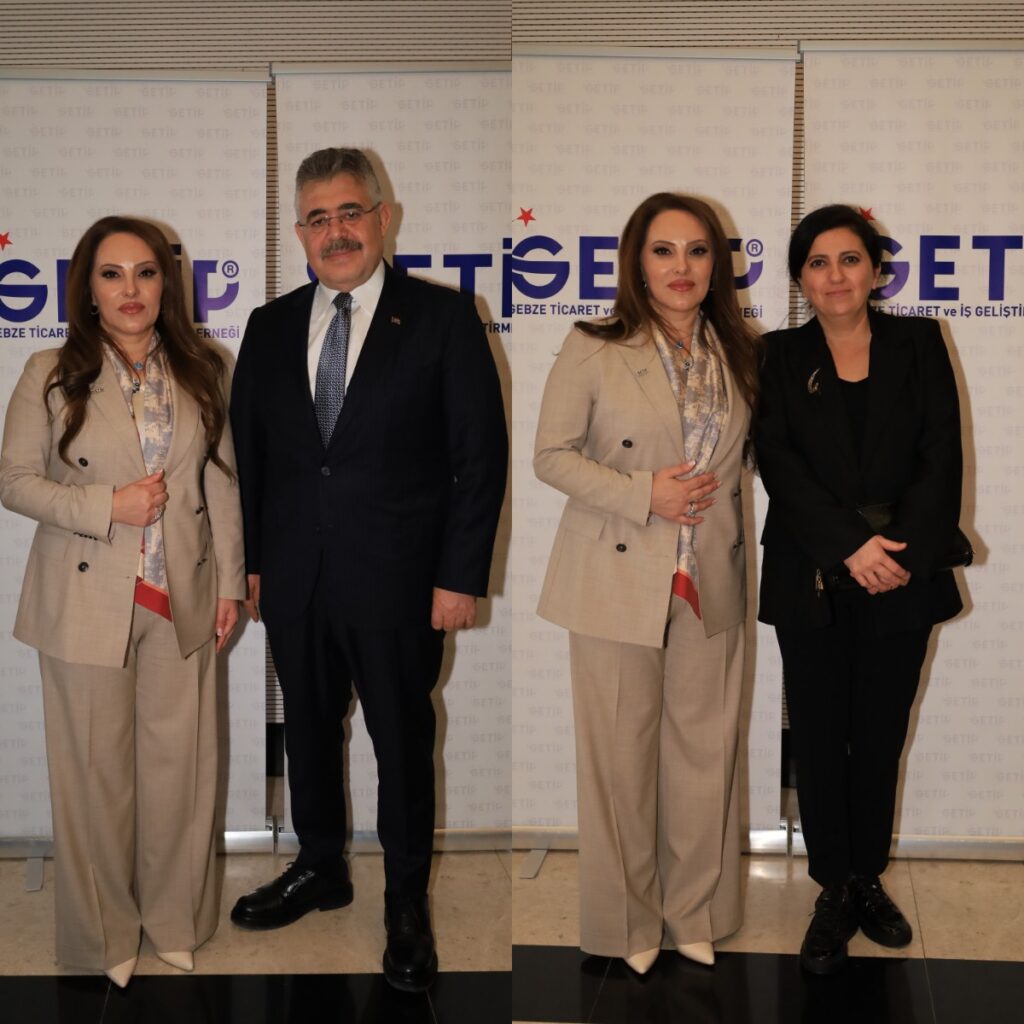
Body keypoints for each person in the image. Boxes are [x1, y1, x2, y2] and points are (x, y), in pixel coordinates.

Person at [228, 147, 507, 992]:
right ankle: (322, 867)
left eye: (350, 212)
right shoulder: (269, 326)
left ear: (384, 217)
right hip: (295, 579)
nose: (336, 231)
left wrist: (459, 577)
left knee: (401, 743)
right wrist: (253, 565)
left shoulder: (443, 317)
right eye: (318, 218)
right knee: (310, 733)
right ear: (299, 233)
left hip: (400, 583)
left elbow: (479, 459)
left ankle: (406, 903)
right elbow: (251, 457)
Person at [0, 216, 245, 987]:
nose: (130, 289)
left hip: (183, 598)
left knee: (182, 775)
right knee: (93, 779)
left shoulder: (204, 366)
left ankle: (175, 922)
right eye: (111, 274)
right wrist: (107, 504)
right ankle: (103, 935)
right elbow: (13, 480)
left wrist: (230, 583)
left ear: (166, 284)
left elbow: (222, 481)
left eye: (145, 272)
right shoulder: (50, 370)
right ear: (88, 289)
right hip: (85, 599)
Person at [534, 193, 759, 974]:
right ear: (636, 262)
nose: (681, 267)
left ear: (716, 265)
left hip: (710, 576)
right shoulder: (593, 345)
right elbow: (550, 455)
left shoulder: (742, 352)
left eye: (697, 251)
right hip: (616, 573)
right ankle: (627, 924)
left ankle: (694, 912)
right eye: (663, 251)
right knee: (619, 762)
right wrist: (643, 493)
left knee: (705, 757)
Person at [756, 204, 964, 975]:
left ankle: (867, 877)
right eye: (817, 262)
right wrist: (850, 545)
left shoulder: (918, 340)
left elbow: (942, 452)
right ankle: (833, 886)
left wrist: (896, 553)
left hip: (902, 571)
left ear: (877, 270)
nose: (835, 275)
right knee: (818, 734)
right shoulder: (777, 355)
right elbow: (777, 461)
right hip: (812, 572)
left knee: (879, 734)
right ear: (800, 278)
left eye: (850, 259)